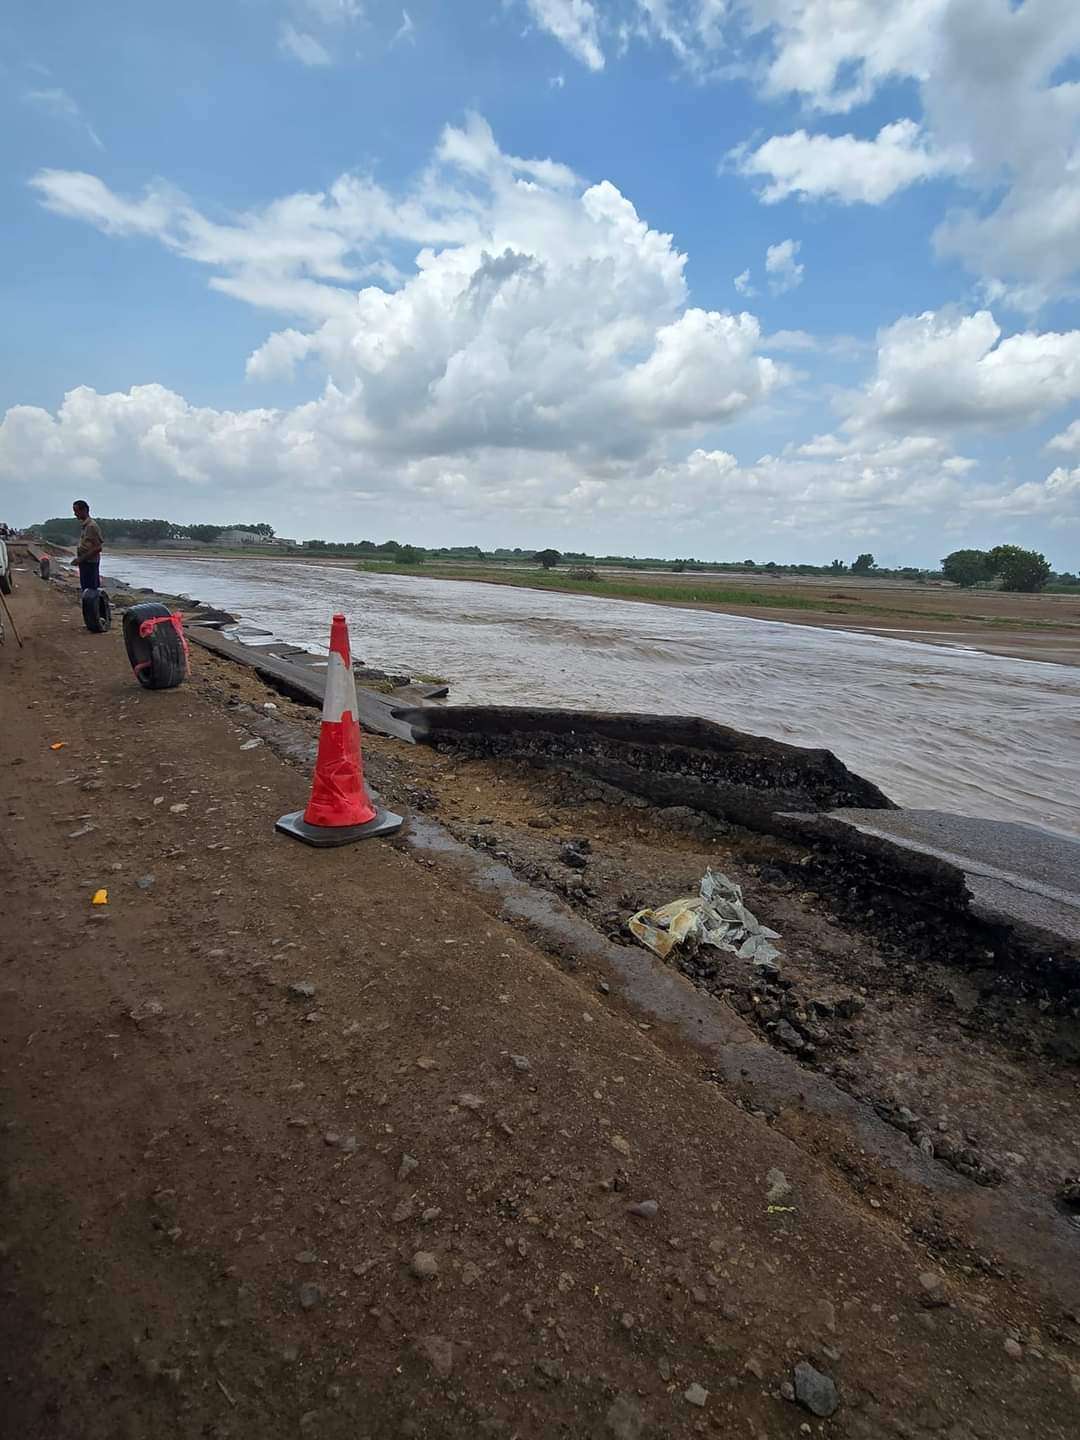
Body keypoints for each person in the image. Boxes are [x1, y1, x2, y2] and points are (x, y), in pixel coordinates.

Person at [73, 500, 103, 592]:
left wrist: (80, 559)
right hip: (86, 563)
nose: (75, 514)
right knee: (86, 590)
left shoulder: (91, 526)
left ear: (84, 510)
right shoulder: (85, 526)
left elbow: (98, 547)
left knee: (90, 591)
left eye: (76, 511)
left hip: (90, 563)